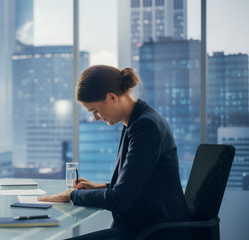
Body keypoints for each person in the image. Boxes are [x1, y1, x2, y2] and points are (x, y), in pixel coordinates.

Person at [38, 65, 190, 239]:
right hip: (143, 225)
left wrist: (72, 195)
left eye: (95, 110)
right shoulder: (135, 122)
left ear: (112, 97)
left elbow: (120, 199)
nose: (95, 117)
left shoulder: (145, 127)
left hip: (156, 231)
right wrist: (101, 186)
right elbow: (139, 184)